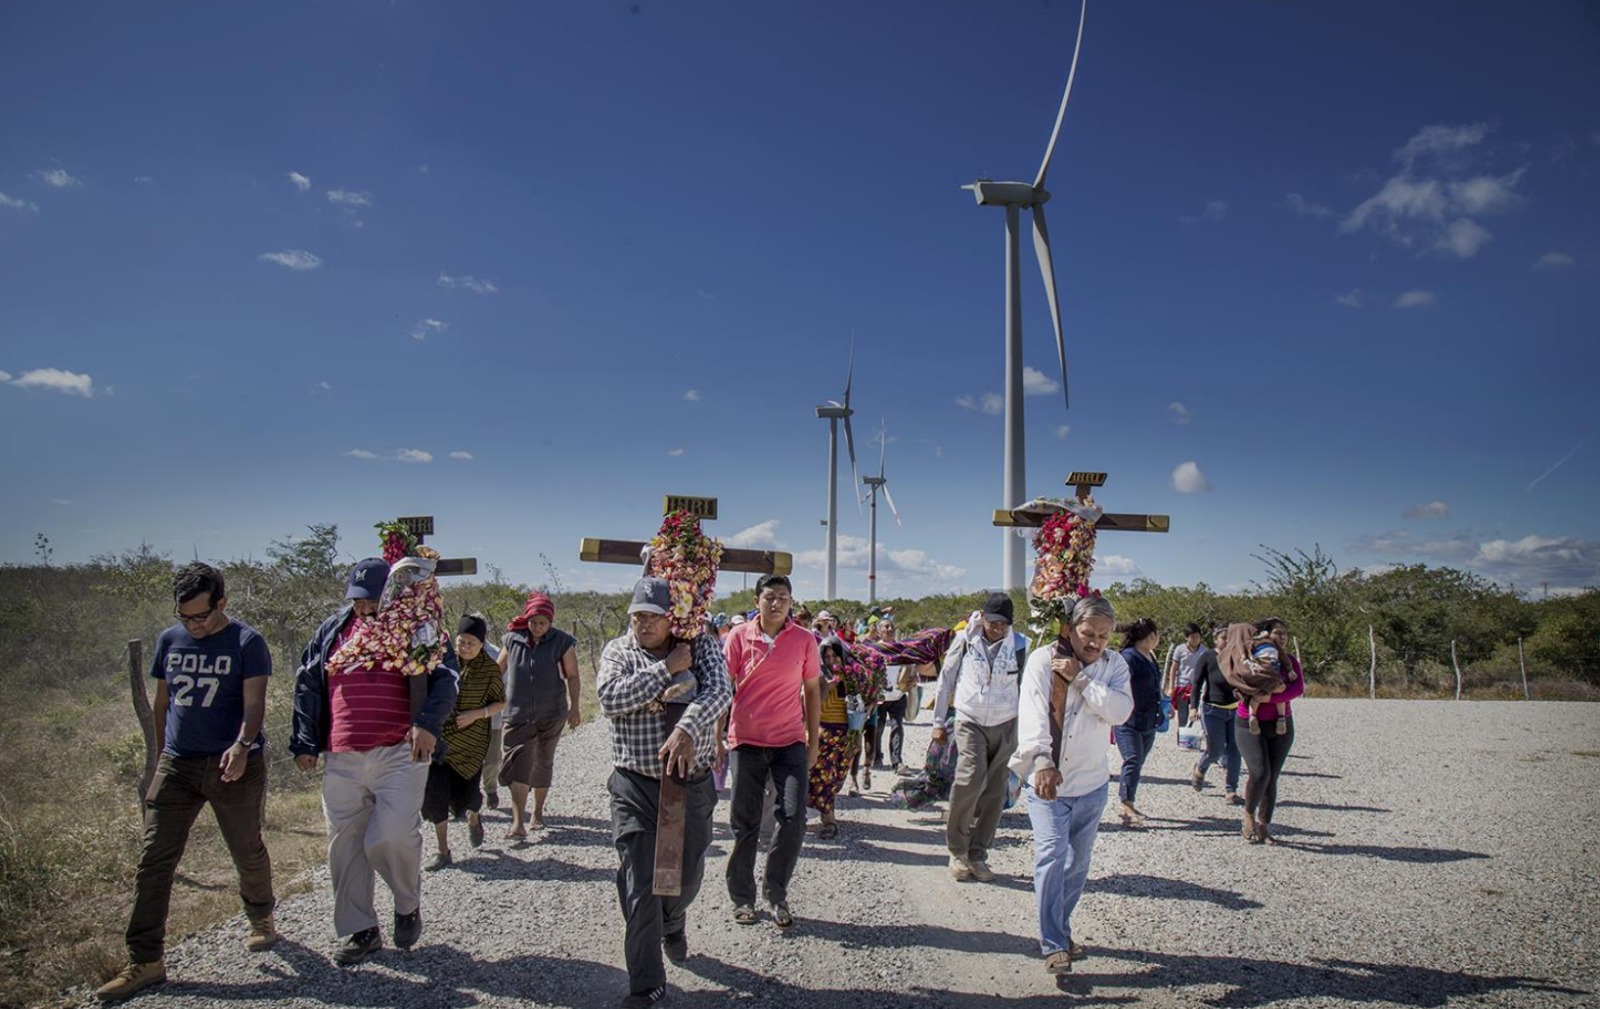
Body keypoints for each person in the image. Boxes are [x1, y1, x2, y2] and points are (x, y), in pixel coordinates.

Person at [97, 564, 278, 1002]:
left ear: (222, 602)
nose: (194, 625)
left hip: (232, 763)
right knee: (154, 858)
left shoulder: (247, 643)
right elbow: (162, 703)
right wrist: (159, 756)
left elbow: (255, 703)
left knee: (245, 847)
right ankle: (146, 960)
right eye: (185, 617)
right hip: (177, 764)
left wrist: (241, 744)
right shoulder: (169, 640)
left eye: (201, 616)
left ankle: (261, 916)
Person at [290, 557, 459, 965]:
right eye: (358, 599)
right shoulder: (333, 631)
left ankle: (406, 903)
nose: (364, 607)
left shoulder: (416, 623)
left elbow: (446, 677)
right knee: (344, 847)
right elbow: (307, 681)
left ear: (390, 595)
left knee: (390, 835)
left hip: (400, 751)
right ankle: (360, 930)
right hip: (342, 756)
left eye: (371, 600)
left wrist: (427, 722)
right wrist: (305, 742)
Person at [597, 577, 733, 1009]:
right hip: (635, 782)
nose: (643, 625)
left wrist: (685, 728)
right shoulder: (618, 651)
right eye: (637, 616)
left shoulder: (703, 644)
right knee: (640, 884)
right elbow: (610, 699)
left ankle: (674, 920)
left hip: (689, 781)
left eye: (652, 618)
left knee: (685, 876)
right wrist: (665, 670)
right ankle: (646, 983)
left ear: (670, 618)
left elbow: (719, 691)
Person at [1010, 595, 1133, 975]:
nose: (1095, 642)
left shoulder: (1114, 666)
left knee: (1077, 864)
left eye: (1103, 635)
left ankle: (1060, 929)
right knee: (1050, 858)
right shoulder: (1042, 660)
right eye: (1087, 634)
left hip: (1092, 783)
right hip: (1048, 783)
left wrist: (1079, 678)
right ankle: (1052, 943)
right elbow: (1032, 714)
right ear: (1071, 629)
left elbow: (1119, 711)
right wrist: (1043, 760)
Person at [721, 573, 821, 929]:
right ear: (756, 601)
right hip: (746, 741)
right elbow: (723, 688)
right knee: (744, 822)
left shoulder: (805, 640)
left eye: (783, 596)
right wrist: (718, 738)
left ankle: (775, 892)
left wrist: (815, 735)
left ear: (791, 602)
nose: (776, 602)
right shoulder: (738, 637)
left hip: (789, 741)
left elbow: (811, 690)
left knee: (793, 817)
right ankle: (743, 897)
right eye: (769, 596)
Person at [931, 592, 1029, 882]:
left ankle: (978, 853)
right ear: (983, 617)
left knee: (996, 791)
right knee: (970, 777)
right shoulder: (964, 640)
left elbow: (1025, 686)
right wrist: (938, 721)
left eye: (1004, 625)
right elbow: (946, 678)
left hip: (1006, 721)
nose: (998, 630)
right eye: (993, 623)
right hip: (969, 717)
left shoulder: (1021, 645)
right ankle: (958, 850)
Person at [424, 614, 506, 869]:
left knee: (468, 795)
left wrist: (476, 714)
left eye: (471, 642)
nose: (466, 646)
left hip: (471, 743)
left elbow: (500, 703)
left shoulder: (489, 669)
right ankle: (443, 850)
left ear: (482, 644)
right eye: (461, 641)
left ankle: (473, 818)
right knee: (435, 795)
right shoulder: (441, 665)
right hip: (440, 741)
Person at [497, 592, 580, 838]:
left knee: (543, 761)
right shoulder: (512, 639)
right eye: (533, 622)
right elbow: (497, 670)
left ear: (551, 622)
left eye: (543, 623)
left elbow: (573, 675)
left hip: (551, 712)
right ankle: (517, 821)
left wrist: (575, 707)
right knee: (518, 765)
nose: (537, 627)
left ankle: (538, 812)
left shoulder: (562, 641)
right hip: (517, 713)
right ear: (527, 618)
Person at [1232, 617, 1304, 844]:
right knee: (1260, 772)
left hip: (1280, 725)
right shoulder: (1250, 657)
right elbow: (1236, 681)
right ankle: (1248, 816)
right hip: (1248, 723)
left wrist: (1270, 697)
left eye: (1284, 633)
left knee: (1272, 776)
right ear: (1265, 635)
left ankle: (1265, 825)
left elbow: (1298, 688)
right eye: (1276, 632)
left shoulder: (1289, 661)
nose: (1281, 637)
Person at [807, 636, 881, 838]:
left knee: (837, 778)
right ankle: (828, 820)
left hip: (846, 736)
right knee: (823, 777)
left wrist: (866, 709)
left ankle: (822, 810)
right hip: (822, 734)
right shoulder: (819, 676)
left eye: (835, 655)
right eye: (827, 656)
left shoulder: (854, 678)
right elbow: (809, 703)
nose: (832, 660)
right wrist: (826, 687)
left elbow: (866, 704)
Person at [1113, 618, 1163, 829]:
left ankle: (1129, 800)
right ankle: (1125, 804)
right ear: (1150, 635)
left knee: (1138, 761)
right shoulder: (1128, 657)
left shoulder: (1150, 656)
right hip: (1128, 719)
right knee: (1132, 759)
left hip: (1149, 719)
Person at [1190, 626, 1242, 804]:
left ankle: (1231, 790)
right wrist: (1193, 707)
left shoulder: (1238, 657)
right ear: (1216, 640)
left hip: (1235, 709)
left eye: (1230, 638)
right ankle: (1200, 767)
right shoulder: (1208, 657)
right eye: (1223, 638)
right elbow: (1196, 683)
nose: (1227, 641)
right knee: (1216, 749)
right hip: (1213, 709)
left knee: (1235, 750)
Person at [871, 617, 911, 774]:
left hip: (898, 696)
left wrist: (911, 681)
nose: (888, 629)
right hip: (880, 696)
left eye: (891, 627)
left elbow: (910, 668)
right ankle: (876, 756)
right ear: (879, 631)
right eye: (885, 627)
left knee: (897, 726)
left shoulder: (902, 649)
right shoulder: (874, 649)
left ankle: (897, 762)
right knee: (878, 727)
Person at [1165, 622, 1207, 729]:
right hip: (1182, 685)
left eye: (1198, 637)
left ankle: (1197, 734)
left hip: (1197, 686)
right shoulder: (1180, 649)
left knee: (1198, 712)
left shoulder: (1204, 650)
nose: (1196, 639)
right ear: (1186, 637)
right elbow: (1173, 669)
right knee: (1182, 714)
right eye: (1193, 637)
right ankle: (1183, 735)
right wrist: (1171, 687)